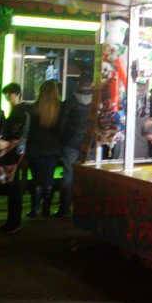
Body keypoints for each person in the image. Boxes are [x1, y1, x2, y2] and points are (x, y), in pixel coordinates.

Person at [56, 70, 94, 217]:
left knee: (68, 175)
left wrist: (64, 139)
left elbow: (62, 124)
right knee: (89, 176)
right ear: (92, 83)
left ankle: (65, 208)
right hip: (90, 144)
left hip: (71, 143)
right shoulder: (97, 101)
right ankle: (86, 208)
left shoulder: (69, 101)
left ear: (78, 83)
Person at [26, 80, 63, 218]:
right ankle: (46, 209)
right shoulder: (60, 107)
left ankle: (34, 209)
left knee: (37, 179)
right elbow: (62, 128)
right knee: (49, 179)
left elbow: (29, 130)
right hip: (54, 148)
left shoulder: (34, 107)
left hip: (36, 148)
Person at [0, 83, 29, 233]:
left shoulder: (18, 113)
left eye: (9, 93)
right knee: (14, 189)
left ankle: (13, 223)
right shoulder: (23, 111)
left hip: (13, 155)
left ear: (17, 94)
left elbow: (14, 139)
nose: (7, 96)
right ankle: (14, 222)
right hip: (18, 153)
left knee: (13, 189)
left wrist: (3, 152)